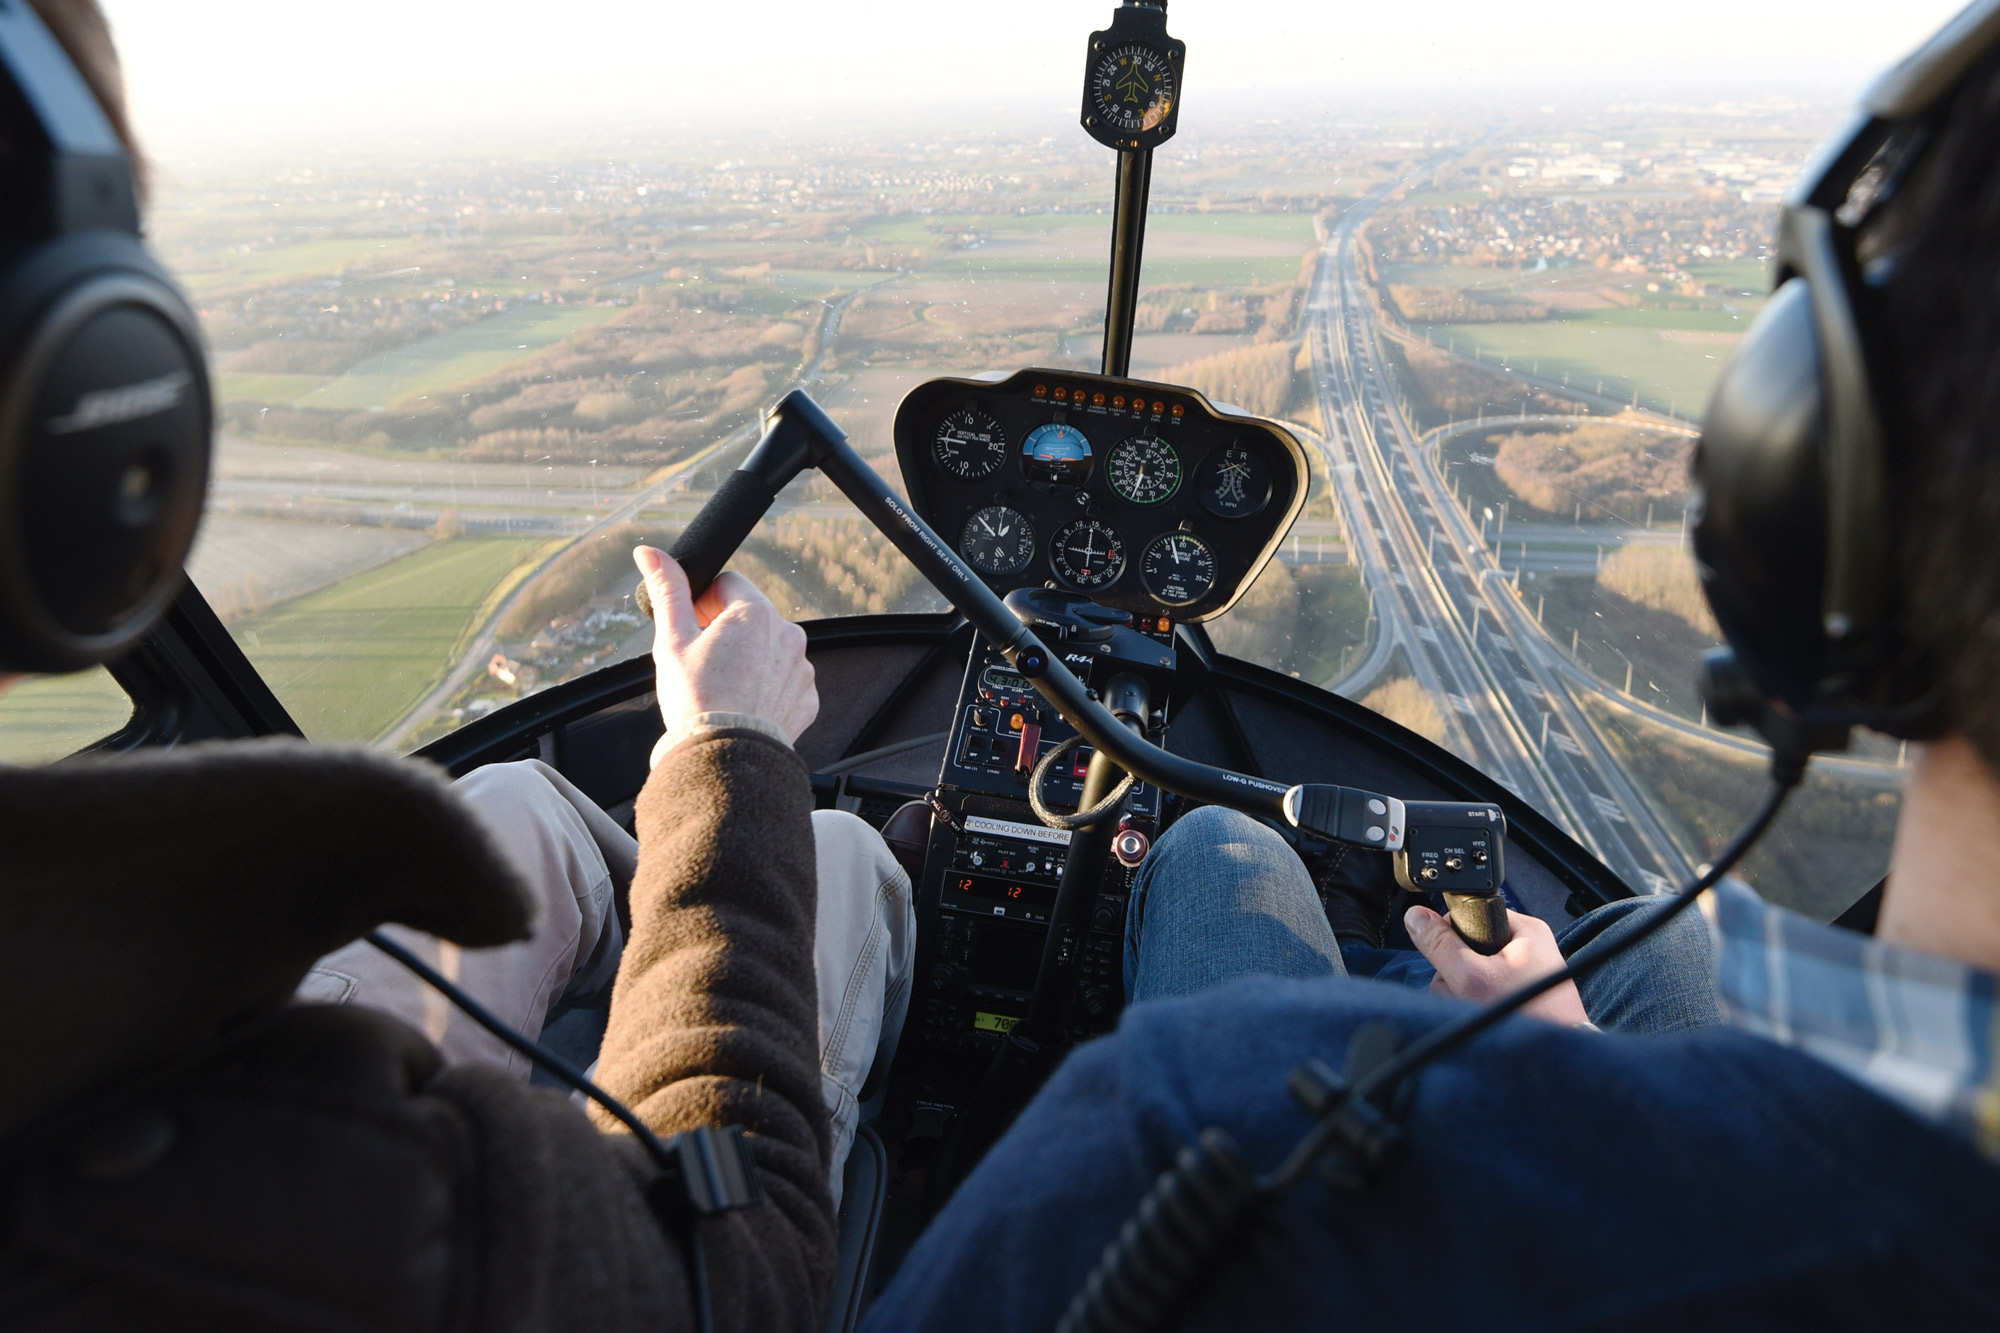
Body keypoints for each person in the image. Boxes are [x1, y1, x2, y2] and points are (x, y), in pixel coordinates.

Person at [859, 25, 2000, 1333]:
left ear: (1835, 512)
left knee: (1224, 850)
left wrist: (1554, 1116)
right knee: (1653, 936)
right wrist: (1572, 1067)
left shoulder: (1188, 1119)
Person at [0, 3, 905, 1326]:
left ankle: (674, 909)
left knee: (520, 813)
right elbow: (743, 1270)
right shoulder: (275, 1224)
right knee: (835, 862)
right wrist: (731, 757)